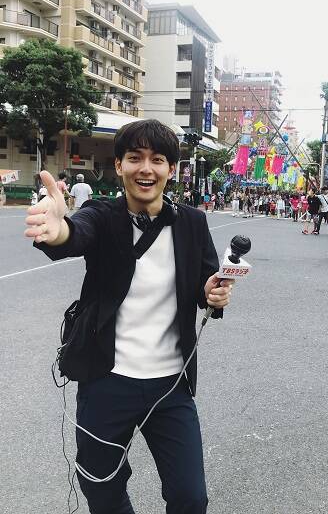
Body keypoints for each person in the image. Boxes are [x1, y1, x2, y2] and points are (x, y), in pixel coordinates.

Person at [24, 119, 234, 514]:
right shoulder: (102, 215)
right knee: (101, 488)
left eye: (157, 159)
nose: (146, 169)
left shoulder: (192, 222)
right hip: (107, 380)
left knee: (191, 497)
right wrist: (58, 230)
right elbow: (76, 233)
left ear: (172, 169)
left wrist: (213, 293)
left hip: (171, 384)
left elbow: (204, 284)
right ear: (119, 165)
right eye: (135, 158)